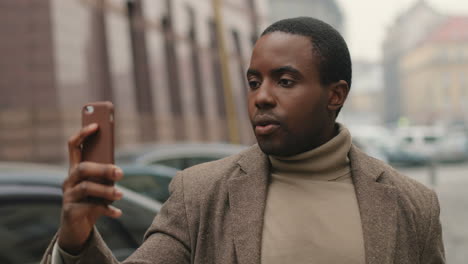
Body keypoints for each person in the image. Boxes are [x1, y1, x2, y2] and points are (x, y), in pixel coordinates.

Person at [41, 17, 445, 264]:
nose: (261, 96)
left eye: (284, 81)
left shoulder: (412, 205)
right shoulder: (199, 194)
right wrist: (75, 240)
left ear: (334, 95)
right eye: (254, 81)